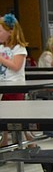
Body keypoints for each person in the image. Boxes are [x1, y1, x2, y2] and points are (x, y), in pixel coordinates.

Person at [1, 14, 31, 146]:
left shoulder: (19, 48)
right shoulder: (1, 47)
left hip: (15, 87)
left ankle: (31, 142)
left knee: (18, 118)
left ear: (10, 32)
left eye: (0, 31)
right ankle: (4, 141)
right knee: (3, 115)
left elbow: (15, 66)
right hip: (3, 86)